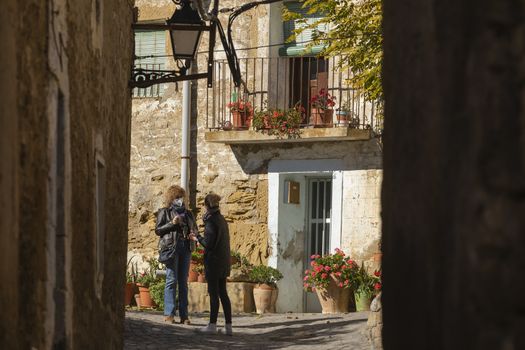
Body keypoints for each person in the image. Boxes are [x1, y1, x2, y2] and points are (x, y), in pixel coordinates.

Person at [189, 193, 233, 335]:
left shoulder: (211, 221)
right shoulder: (222, 219)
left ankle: (212, 325)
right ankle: (228, 327)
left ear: (207, 206)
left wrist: (197, 237)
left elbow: (208, 244)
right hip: (224, 261)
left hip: (214, 263)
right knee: (223, 294)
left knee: (214, 294)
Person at [155, 185, 197, 325]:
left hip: (185, 247)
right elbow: (158, 230)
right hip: (171, 248)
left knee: (183, 283)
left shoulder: (189, 214)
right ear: (171, 199)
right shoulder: (165, 212)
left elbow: (195, 229)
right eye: (176, 197)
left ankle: (184, 316)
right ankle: (169, 314)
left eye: (181, 197)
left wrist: (193, 234)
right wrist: (172, 224)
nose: (179, 200)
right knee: (171, 280)